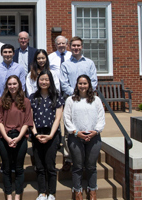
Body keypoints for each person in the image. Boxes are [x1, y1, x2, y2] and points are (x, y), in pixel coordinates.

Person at [60, 36, 98, 171]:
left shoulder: (89, 63)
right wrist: (75, 95)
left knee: (88, 125)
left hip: (88, 100)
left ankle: (87, 157)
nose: (76, 48)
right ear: (70, 47)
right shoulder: (65, 65)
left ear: (82, 47)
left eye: (78, 45)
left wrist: (84, 94)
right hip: (71, 100)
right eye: (74, 46)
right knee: (68, 130)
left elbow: (93, 81)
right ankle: (68, 158)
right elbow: (63, 83)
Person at [64, 75, 105, 200]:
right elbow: (67, 119)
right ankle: (77, 190)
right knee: (77, 166)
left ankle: (92, 190)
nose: (82, 86)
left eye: (85, 83)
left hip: (93, 137)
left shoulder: (96, 100)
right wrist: (76, 132)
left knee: (91, 166)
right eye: (80, 83)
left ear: (89, 85)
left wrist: (96, 131)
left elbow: (101, 118)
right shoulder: (71, 100)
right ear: (77, 85)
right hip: (76, 137)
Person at [0, 75, 33, 200]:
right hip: (4, 137)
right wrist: (7, 138)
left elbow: (27, 122)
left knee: (19, 168)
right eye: (10, 84)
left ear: (19, 85)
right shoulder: (1, 100)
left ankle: (17, 195)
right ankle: (9, 195)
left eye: (14, 84)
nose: (12, 86)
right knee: (6, 168)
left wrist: (19, 137)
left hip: (20, 137)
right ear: (7, 86)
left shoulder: (25, 101)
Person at [29, 69, 64, 200]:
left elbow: (57, 118)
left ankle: (51, 193)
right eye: (41, 79)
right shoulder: (32, 97)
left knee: (50, 165)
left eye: (46, 79)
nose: (44, 82)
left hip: (52, 134)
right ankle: (42, 192)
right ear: (38, 81)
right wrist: (36, 134)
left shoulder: (57, 96)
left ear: (50, 81)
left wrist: (50, 135)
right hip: (37, 134)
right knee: (39, 166)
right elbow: (30, 118)